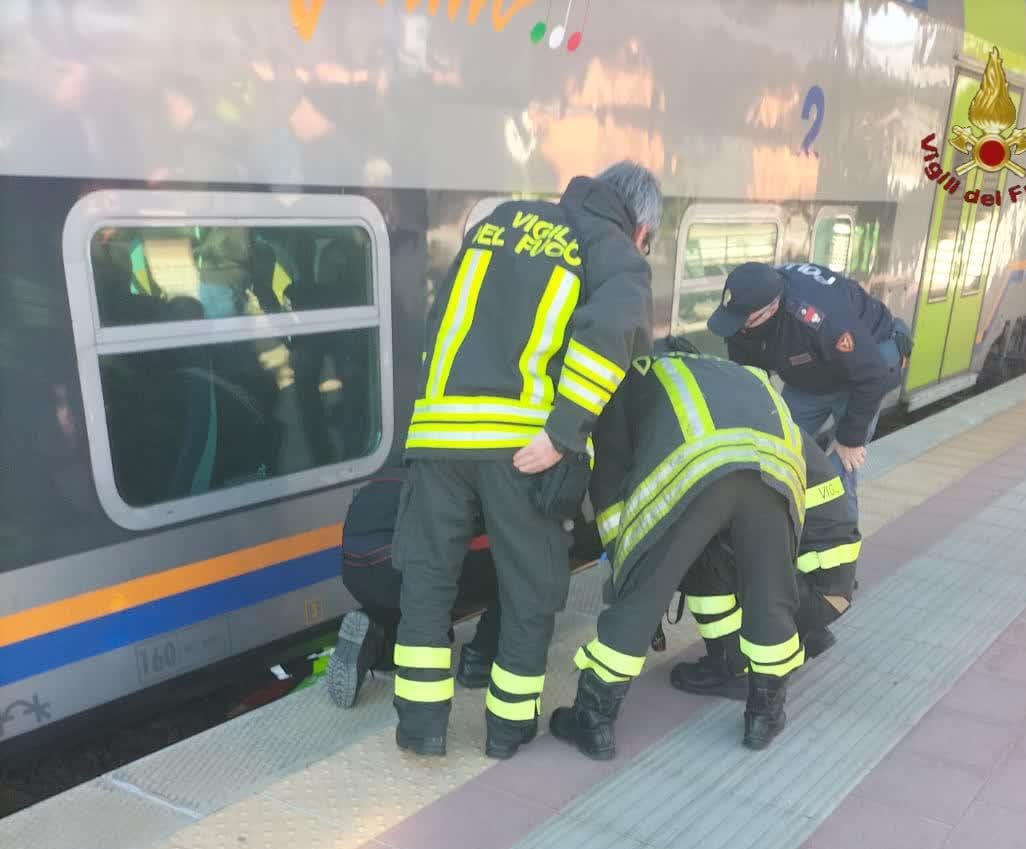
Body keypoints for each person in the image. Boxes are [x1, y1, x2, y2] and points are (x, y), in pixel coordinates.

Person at [391, 162, 661, 760]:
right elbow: (614, 332)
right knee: (529, 591)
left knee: (428, 583)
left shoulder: (502, 220)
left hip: (439, 434)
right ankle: (507, 734)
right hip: (522, 447)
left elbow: (447, 316)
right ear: (640, 228)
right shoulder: (614, 252)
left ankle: (420, 729)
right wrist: (565, 433)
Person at [550, 337, 807, 760]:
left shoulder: (632, 379)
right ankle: (764, 715)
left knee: (641, 599)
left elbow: (610, 486)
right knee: (770, 595)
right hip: (776, 472)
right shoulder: (736, 372)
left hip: (696, 470)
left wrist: (626, 566)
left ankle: (593, 721)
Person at [326, 472, 603, 708]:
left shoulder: (433, 454)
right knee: (520, 568)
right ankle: (480, 658)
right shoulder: (498, 480)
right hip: (407, 558)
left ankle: (374, 633)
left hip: (356, 563)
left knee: (415, 611)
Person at [705, 261, 912, 520]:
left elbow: (872, 374)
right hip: (812, 377)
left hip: (863, 374)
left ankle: (839, 545)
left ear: (771, 310)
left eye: (746, 323)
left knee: (836, 476)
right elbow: (749, 375)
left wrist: (850, 440)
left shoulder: (819, 318)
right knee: (776, 449)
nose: (740, 329)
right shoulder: (743, 313)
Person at [668, 423, 860, 699]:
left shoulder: (721, 437)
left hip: (811, 592)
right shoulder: (765, 421)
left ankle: (734, 668)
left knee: (704, 557)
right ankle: (805, 633)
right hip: (830, 584)